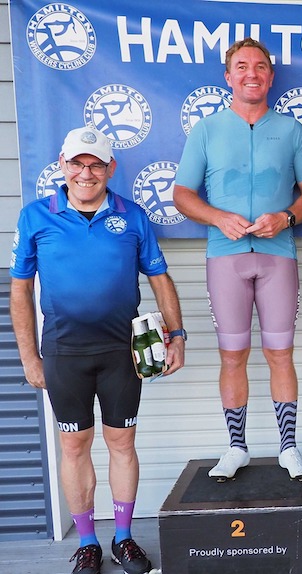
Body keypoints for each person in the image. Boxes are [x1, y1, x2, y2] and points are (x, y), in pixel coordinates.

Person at [10, 127, 186, 574]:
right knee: (74, 446)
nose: (85, 173)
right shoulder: (36, 217)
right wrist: (29, 357)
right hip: (63, 353)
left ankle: (123, 538)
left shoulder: (133, 215)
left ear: (110, 168)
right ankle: (87, 542)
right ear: (62, 164)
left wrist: (178, 334)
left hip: (121, 352)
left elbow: (159, 277)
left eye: (95, 165)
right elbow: (20, 291)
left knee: (122, 443)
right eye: (77, 163)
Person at [173, 38, 302, 481]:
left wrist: (286, 217)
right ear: (228, 77)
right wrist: (217, 217)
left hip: (277, 256)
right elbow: (182, 194)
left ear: (271, 77)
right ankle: (236, 447)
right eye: (242, 66)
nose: (251, 73)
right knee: (232, 355)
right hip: (226, 258)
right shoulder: (207, 130)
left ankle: (288, 448)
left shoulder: (291, 130)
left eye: (260, 66)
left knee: (280, 353)